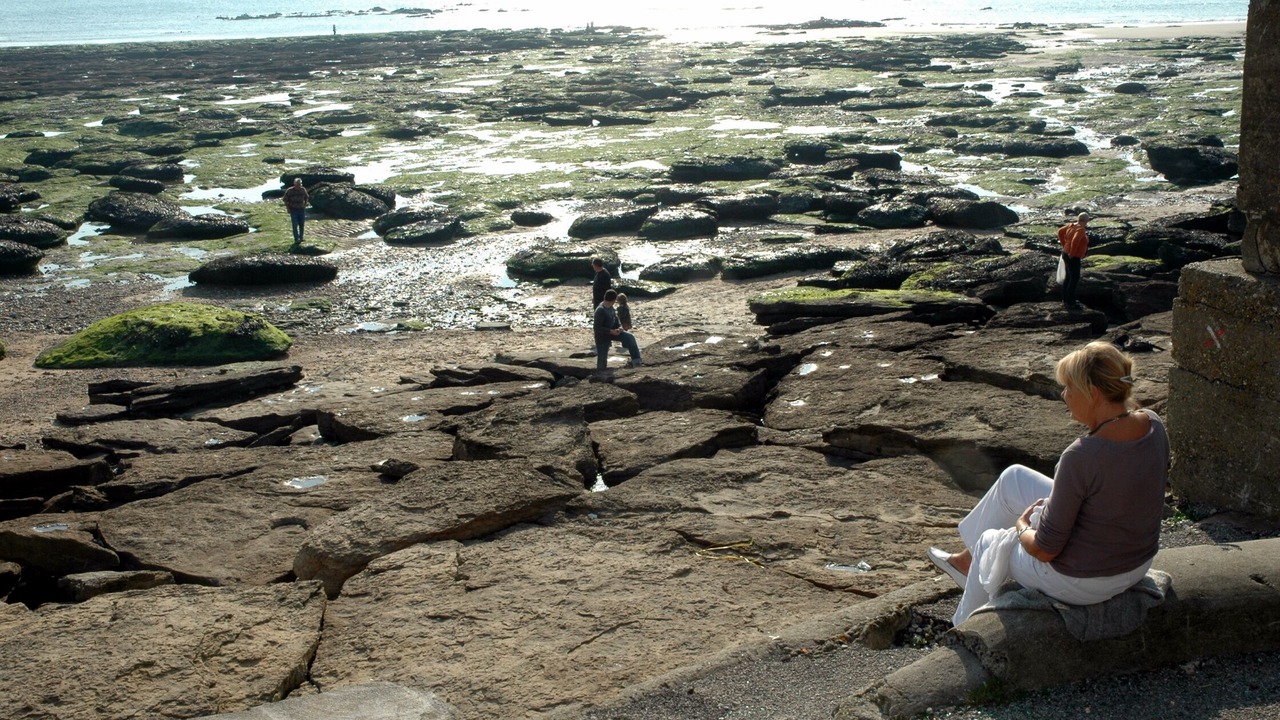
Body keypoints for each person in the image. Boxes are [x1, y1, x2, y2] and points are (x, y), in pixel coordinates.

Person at [927, 341, 1168, 627]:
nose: (1064, 395)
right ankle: (966, 566)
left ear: (1092, 393)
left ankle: (963, 630)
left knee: (989, 543)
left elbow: (1044, 549)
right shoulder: (1153, 425)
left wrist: (1022, 526)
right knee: (1014, 478)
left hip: (1085, 581)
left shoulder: (1081, 456)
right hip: (1137, 562)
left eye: (1069, 387)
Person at [593, 289, 641, 371]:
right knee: (602, 359)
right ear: (613, 300)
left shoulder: (611, 307)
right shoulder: (600, 310)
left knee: (630, 337)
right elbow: (597, 328)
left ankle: (637, 362)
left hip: (614, 332)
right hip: (602, 336)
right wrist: (610, 331)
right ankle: (601, 374)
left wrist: (620, 327)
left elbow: (616, 319)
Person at [1057, 211, 1090, 309]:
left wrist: (1064, 245)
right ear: (1086, 221)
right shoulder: (1080, 229)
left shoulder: (1071, 225)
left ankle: (1065, 299)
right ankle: (1071, 302)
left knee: (1068, 277)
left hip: (1065, 253)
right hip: (1073, 256)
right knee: (1074, 278)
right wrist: (1072, 252)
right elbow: (1075, 240)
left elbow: (1060, 232)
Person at [283, 178, 310, 246]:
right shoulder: (289, 191)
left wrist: (305, 204)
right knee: (295, 225)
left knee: (302, 224)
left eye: (300, 184)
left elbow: (307, 197)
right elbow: (285, 199)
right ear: (294, 184)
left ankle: (301, 237)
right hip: (293, 210)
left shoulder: (303, 189)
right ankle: (296, 238)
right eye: (297, 184)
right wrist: (288, 208)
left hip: (301, 209)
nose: (299, 186)